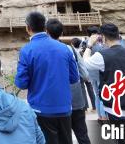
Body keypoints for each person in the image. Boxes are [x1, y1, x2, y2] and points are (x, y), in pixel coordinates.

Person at [15, 12, 78, 144]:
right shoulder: (64, 48)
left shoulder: (26, 50)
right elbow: (74, 78)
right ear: (45, 27)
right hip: (64, 108)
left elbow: (21, 83)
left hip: (41, 109)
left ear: (28, 28)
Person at [83, 23, 125, 144]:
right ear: (118, 35)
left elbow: (85, 63)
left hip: (116, 108)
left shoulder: (101, 56)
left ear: (103, 37)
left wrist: (89, 45)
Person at [46, 19, 90, 144]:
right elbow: (85, 75)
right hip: (76, 99)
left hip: (57, 102)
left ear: (46, 32)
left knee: (63, 138)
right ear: (61, 33)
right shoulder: (71, 50)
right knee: (82, 135)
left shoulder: (43, 52)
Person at [82, 26, 107, 121]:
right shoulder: (99, 46)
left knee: (97, 95)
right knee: (102, 95)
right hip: (100, 73)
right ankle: (103, 116)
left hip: (91, 73)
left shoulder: (85, 44)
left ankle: (99, 115)